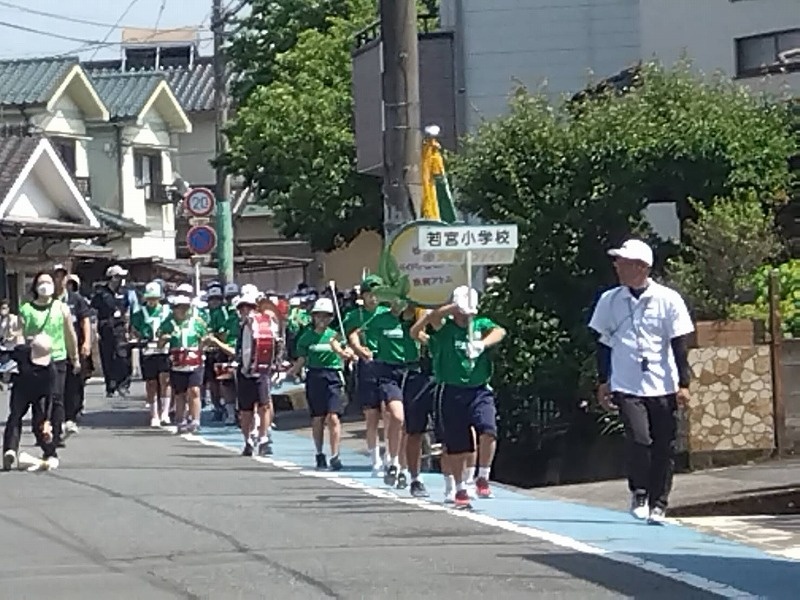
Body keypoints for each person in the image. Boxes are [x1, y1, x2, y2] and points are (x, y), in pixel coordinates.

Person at [588, 239, 694, 523]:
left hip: (662, 382)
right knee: (639, 438)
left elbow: (679, 344)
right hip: (626, 382)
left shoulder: (668, 299)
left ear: (642, 267)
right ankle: (640, 491)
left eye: (623, 262)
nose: (617, 267)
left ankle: (659, 502)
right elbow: (602, 343)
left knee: (663, 444)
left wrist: (684, 384)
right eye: (617, 262)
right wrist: (603, 380)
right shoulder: (610, 300)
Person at [417, 286, 506, 509]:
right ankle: (459, 487)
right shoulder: (445, 329)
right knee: (457, 445)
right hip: (452, 390)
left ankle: (483, 476)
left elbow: (500, 331)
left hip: (479, 389)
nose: (466, 317)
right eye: (463, 312)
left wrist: (482, 344)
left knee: (488, 429)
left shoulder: (480, 324)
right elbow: (433, 318)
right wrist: (453, 307)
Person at [2, 272, 80, 471]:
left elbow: (69, 334)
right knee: (36, 408)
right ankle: (34, 447)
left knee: (50, 403)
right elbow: (19, 334)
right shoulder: (26, 309)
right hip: (32, 360)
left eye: (48, 282)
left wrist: (75, 357)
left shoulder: (60, 307)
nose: (45, 286)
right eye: (41, 282)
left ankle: (48, 441)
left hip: (55, 357)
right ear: (35, 286)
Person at [351, 298, 418, 489]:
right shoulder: (380, 318)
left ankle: (402, 467)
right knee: (396, 416)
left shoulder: (416, 317)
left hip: (413, 371)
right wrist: (359, 349)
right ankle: (393, 460)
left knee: (409, 425)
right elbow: (355, 332)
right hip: (388, 371)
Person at [287, 297, 353, 470]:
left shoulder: (336, 336)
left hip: (333, 376)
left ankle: (335, 455)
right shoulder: (306, 337)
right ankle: (319, 452)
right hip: (314, 376)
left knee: (333, 416)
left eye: (326, 316)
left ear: (331, 318)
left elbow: (346, 352)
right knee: (318, 418)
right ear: (313, 317)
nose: (322, 319)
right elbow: (302, 359)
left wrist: (348, 354)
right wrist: (291, 372)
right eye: (318, 316)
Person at [331, 275, 388, 476]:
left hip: (389, 366)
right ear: (362, 296)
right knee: (371, 416)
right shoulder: (354, 316)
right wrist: (343, 352)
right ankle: (375, 460)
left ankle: (390, 457)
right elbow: (335, 339)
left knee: (390, 413)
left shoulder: (388, 313)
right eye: (369, 294)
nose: (373, 298)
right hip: (367, 367)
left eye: (377, 294)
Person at [158, 295, 219, 434]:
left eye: (186, 307)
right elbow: (160, 343)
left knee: (194, 390)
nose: (183, 310)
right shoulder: (169, 323)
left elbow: (204, 339)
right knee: (180, 393)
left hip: (194, 361)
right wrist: (164, 339)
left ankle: (195, 420)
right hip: (178, 362)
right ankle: (181, 420)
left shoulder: (197, 322)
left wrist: (204, 343)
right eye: (179, 308)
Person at [229, 291, 274, 456]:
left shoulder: (266, 324)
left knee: (264, 405)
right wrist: (238, 360)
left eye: (249, 307)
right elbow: (240, 348)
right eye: (242, 308)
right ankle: (248, 440)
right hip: (244, 370)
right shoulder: (241, 326)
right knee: (246, 409)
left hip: (261, 370)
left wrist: (276, 362)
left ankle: (263, 439)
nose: (246, 310)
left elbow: (274, 344)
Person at [53, 264, 92, 438]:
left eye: (62, 276)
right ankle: (58, 419)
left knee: (75, 383)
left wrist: (87, 342)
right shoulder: (48, 300)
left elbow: (85, 321)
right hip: (55, 349)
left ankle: (72, 416)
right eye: (56, 276)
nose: (59, 280)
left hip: (74, 347)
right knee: (57, 386)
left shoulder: (76, 299)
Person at [131, 281, 172, 427]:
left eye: (155, 297)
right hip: (148, 351)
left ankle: (165, 412)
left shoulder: (167, 311)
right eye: (149, 298)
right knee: (151, 382)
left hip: (164, 349)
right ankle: (154, 414)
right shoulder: (139, 313)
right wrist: (139, 337)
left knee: (165, 379)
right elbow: (135, 330)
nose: (152, 300)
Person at [91, 264, 132, 398]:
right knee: (107, 358)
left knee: (123, 357)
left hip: (120, 328)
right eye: (118, 277)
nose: (121, 280)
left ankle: (123, 384)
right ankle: (110, 386)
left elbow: (128, 310)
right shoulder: (101, 294)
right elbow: (94, 312)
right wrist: (94, 331)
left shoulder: (124, 293)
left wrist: (128, 328)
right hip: (105, 328)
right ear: (112, 277)